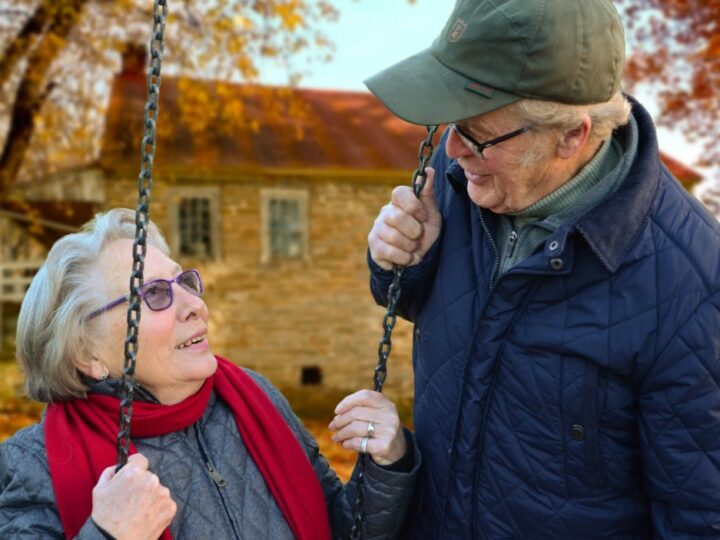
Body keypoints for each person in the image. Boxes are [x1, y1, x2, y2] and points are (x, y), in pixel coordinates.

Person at [365, 0, 720, 538]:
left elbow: (700, 516)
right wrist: (401, 263)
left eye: (476, 132)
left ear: (572, 136)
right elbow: (438, 311)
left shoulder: (691, 287)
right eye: (450, 123)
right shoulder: (463, 171)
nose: (452, 147)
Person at [0, 208, 419, 539]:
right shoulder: (33, 464)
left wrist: (385, 463)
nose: (194, 304)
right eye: (155, 294)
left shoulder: (253, 398)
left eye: (183, 281)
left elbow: (341, 529)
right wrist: (108, 536)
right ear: (87, 352)